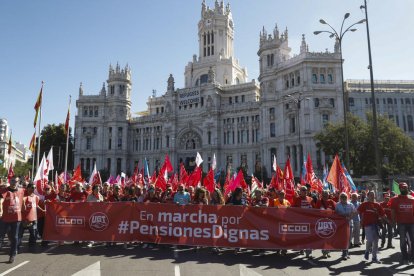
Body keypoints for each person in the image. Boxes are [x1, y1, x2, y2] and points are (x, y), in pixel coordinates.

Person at [0, 177, 25, 263]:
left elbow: (25, 197)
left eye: (16, 181)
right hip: (5, 218)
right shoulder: (4, 191)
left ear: (18, 182)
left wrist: (24, 205)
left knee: (14, 237)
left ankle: (12, 255)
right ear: (10, 181)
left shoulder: (21, 190)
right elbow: (1, 200)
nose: (14, 182)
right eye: (13, 181)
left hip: (16, 218)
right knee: (1, 237)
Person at [358, 191, 386, 263]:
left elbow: (383, 214)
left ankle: (374, 257)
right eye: (371, 195)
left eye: (373, 195)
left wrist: (388, 220)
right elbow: (357, 211)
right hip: (367, 225)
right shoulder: (364, 204)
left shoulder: (377, 205)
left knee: (376, 241)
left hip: (376, 225)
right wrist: (350, 217)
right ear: (368, 196)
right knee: (370, 240)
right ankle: (367, 251)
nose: (372, 196)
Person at [390, 182, 414, 265]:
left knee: (413, 240)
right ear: (400, 189)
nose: (404, 189)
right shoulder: (395, 199)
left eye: (406, 187)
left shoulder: (412, 198)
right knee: (403, 242)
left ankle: (412, 257)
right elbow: (392, 212)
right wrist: (393, 222)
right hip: (401, 224)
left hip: (412, 223)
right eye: (403, 188)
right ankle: (405, 258)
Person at [292, 186, 313, 258]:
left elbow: (315, 210)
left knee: (308, 237)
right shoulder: (296, 199)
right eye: (303, 190)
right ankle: (301, 249)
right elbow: (293, 209)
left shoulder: (310, 199)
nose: (305, 191)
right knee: (301, 236)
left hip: (309, 222)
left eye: (306, 190)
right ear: (300, 191)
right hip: (300, 221)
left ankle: (308, 252)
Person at [316, 190, 336, 258]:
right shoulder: (319, 201)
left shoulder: (331, 202)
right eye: (324, 194)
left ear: (328, 195)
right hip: (321, 222)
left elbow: (336, 210)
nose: (325, 196)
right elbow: (315, 211)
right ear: (322, 195)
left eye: (326, 194)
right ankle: (324, 252)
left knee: (329, 238)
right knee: (323, 237)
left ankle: (328, 251)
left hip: (330, 223)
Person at [335, 192, 355, 260]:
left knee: (349, 238)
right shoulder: (337, 205)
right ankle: (344, 253)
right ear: (340, 198)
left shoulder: (350, 204)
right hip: (341, 225)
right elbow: (335, 213)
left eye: (345, 197)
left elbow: (354, 212)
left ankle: (346, 251)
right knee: (343, 239)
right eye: (342, 197)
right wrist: (341, 216)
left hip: (349, 223)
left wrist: (350, 217)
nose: (344, 198)